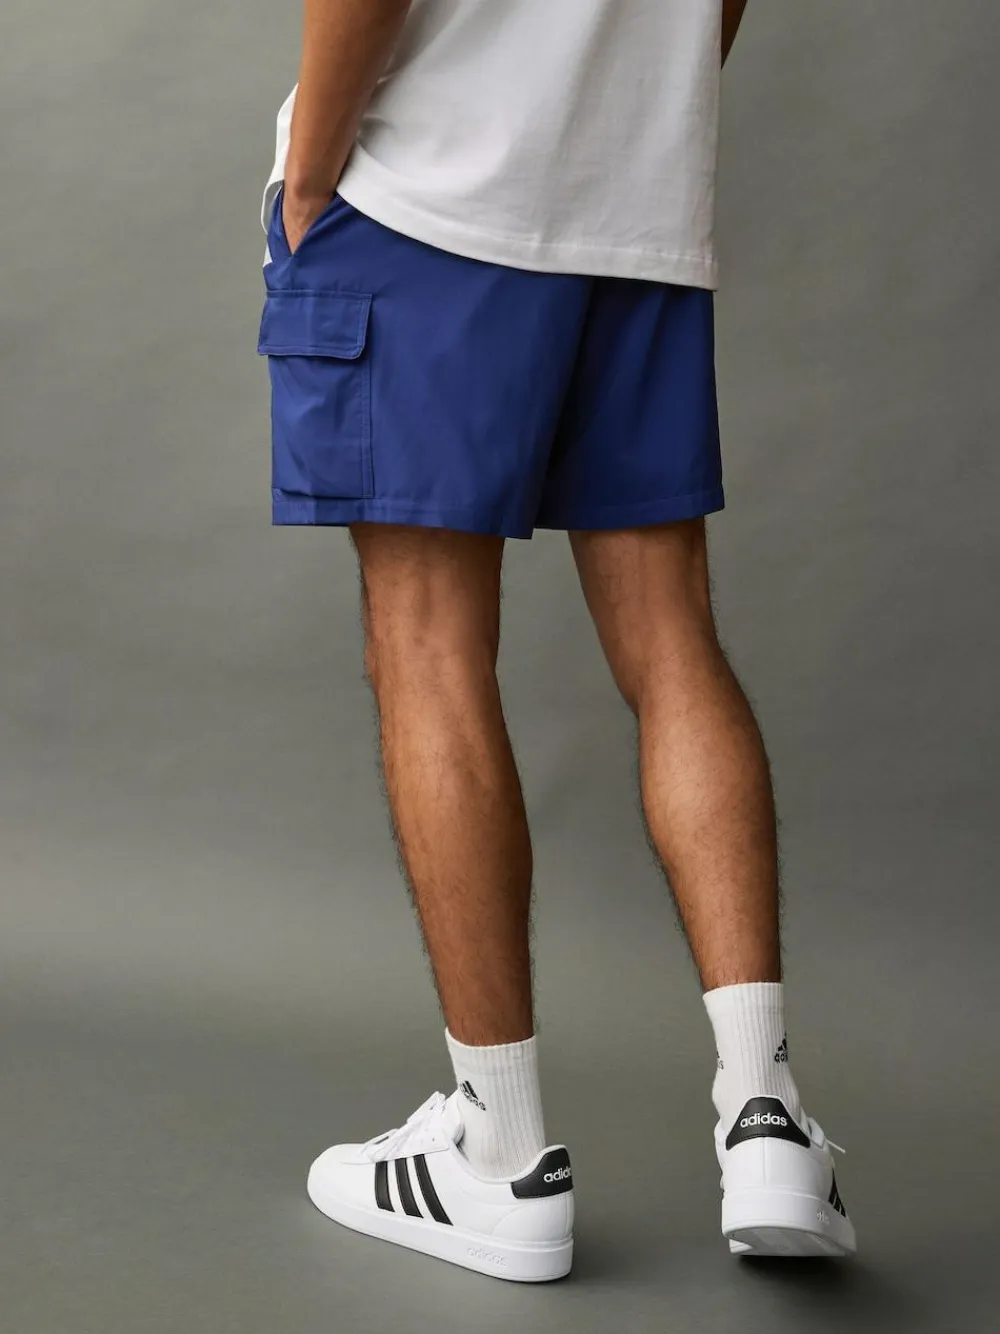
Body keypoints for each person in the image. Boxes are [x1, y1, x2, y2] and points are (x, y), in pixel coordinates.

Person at [257, 0, 856, 1282]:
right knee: (673, 639)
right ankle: (766, 1119)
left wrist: (311, 174)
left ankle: (499, 1156)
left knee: (428, 646)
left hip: (424, 198)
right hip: (632, 206)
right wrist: (633, 118)